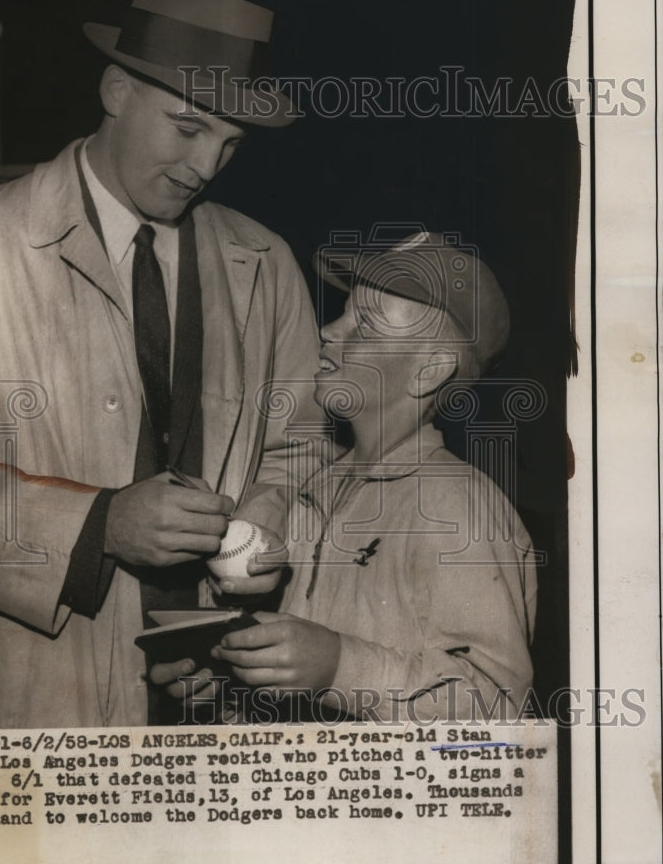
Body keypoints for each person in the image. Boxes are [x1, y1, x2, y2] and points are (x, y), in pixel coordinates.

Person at [0, 0, 323, 729]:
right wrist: (98, 526)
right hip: (20, 699)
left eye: (229, 143)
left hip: (203, 694)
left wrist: (254, 536)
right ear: (117, 89)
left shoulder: (265, 259)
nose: (204, 167)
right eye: (187, 129)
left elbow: (300, 444)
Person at [187, 233, 538, 723]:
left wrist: (338, 666)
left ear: (429, 370)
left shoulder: (459, 507)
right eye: (342, 312)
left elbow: (497, 707)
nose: (330, 331)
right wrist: (220, 674)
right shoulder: (313, 489)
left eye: (365, 326)